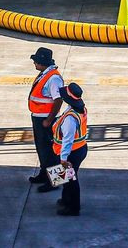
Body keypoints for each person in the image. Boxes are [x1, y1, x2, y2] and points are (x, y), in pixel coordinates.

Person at [27, 47, 65, 193]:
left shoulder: (53, 78)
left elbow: (58, 100)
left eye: (36, 61)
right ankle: (44, 175)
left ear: (42, 62)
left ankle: (56, 182)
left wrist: (49, 120)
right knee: (42, 150)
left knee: (51, 152)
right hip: (39, 118)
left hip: (46, 120)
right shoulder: (45, 74)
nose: (34, 64)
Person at [52, 82, 89, 216]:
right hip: (80, 149)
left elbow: (68, 140)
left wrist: (63, 159)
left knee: (71, 180)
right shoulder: (78, 109)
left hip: (71, 153)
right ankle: (66, 199)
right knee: (65, 178)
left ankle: (73, 208)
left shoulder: (70, 119)